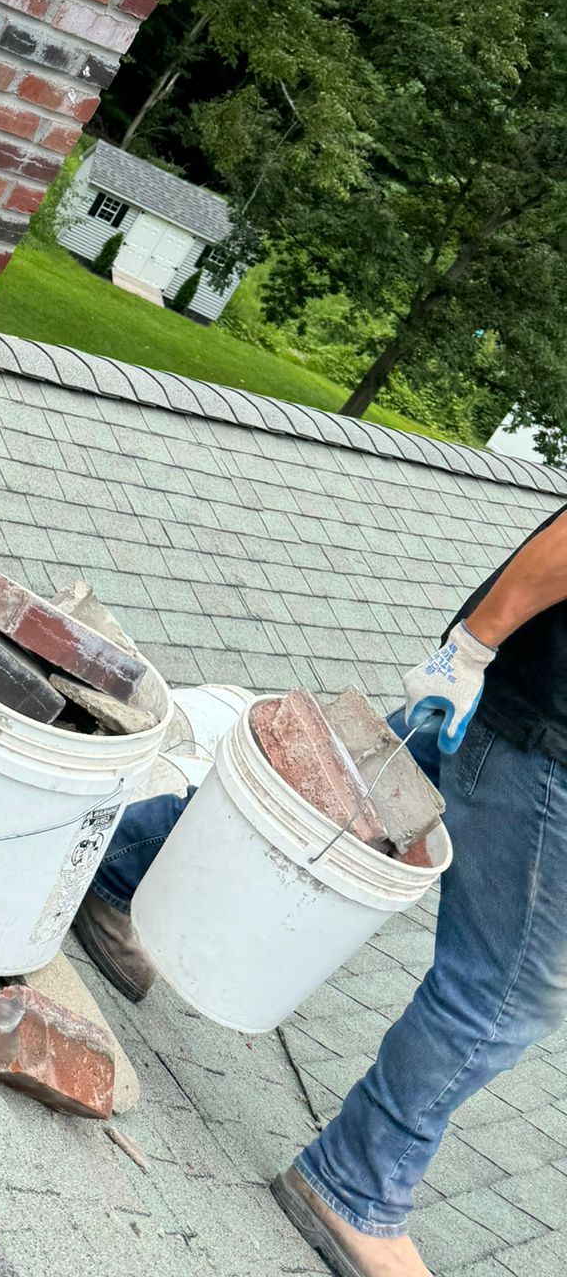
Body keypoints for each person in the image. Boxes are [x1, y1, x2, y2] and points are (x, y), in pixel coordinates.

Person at [73, 507, 567, 1277]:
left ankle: (112, 868)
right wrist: (471, 647)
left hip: (520, 714)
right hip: (545, 743)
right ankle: (353, 1190)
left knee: (329, 800)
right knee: (506, 992)